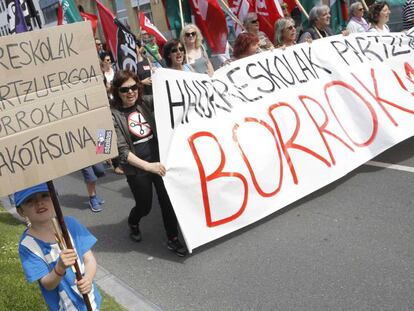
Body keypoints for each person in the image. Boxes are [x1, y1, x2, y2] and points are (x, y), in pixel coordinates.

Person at [110, 70, 187, 257]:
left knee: (167, 201)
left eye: (134, 87)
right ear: (116, 92)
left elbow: (173, 100)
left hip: (160, 163)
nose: (130, 93)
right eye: (124, 89)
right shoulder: (110, 115)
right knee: (145, 206)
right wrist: (147, 166)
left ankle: (172, 238)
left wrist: (164, 80)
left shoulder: (145, 102)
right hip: (138, 170)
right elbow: (120, 151)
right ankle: (134, 221)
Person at [15, 183, 101, 311]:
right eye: (29, 201)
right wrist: (60, 268)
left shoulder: (70, 225)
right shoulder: (28, 246)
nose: (39, 203)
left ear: (54, 198)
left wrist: (88, 278)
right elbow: (47, 284)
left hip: (90, 301)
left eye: (45, 196)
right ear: (21, 211)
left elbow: (89, 259)